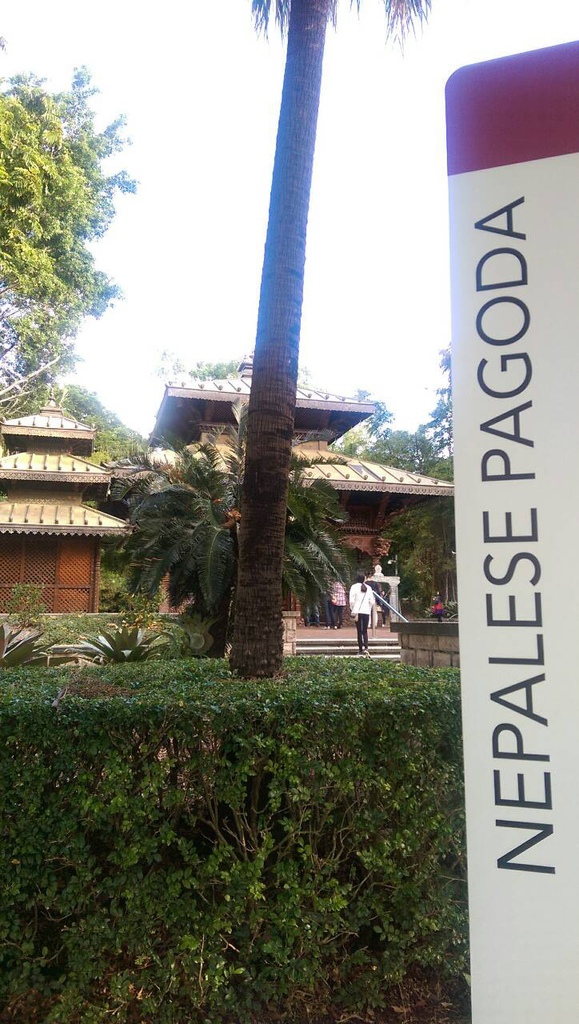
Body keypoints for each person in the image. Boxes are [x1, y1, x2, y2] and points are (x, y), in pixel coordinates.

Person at [349, 572, 376, 655]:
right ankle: (366, 648)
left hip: (357, 612)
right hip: (366, 611)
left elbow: (351, 601)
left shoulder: (353, 587)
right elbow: (372, 601)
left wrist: (353, 609)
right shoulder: (369, 588)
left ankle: (360, 649)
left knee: (359, 631)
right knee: (365, 631)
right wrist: (368, 608)